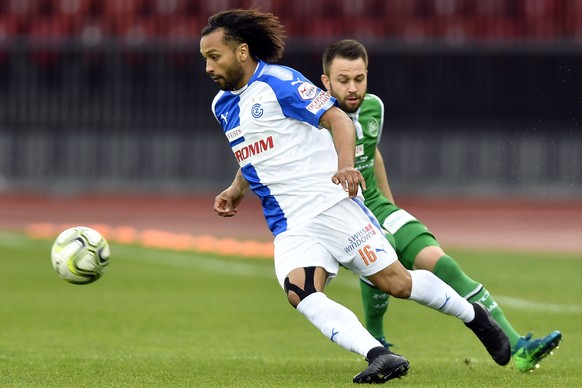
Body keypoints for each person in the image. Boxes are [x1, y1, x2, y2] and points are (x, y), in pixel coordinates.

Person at [200, 9, 510, 384]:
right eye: (205, 58)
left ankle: (474, 316)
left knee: (396, 284)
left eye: (214, 56)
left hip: (330, 204)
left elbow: (339, 120)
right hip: (289, 223)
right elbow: (258, 150)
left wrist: (346, 165)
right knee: (300, 292)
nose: (208, 66)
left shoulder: (278, 82)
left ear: (243, 51)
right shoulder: (222, 106)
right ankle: (380, 355)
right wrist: (236, 188)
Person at [320, 38, 562, 373]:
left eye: (359, 78)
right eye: (343, 80)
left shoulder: (374, 107)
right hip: (346, 214)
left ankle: (518, 346)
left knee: (442, 264)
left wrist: (390, 209)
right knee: (382, 248)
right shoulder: (313, 119)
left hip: (378, 206)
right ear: (326, 81)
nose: (353, 87)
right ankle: (376, 341)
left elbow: (372, 153)